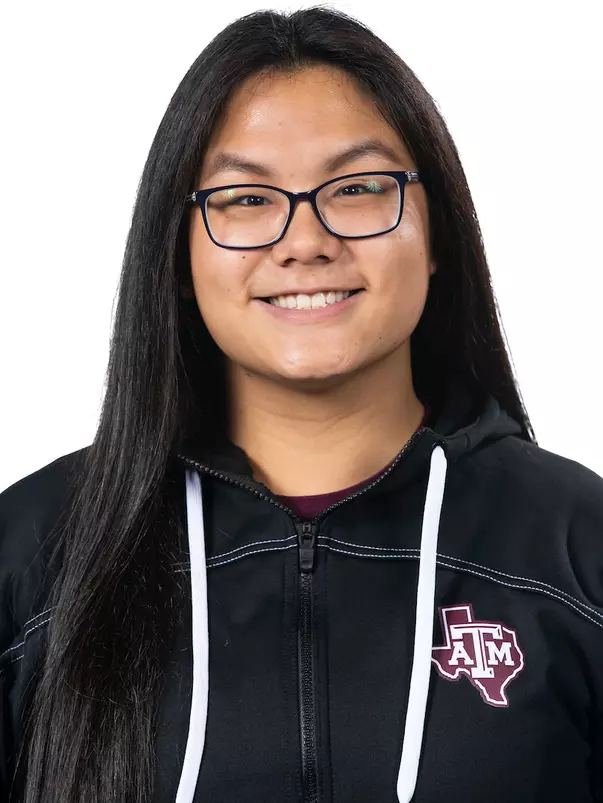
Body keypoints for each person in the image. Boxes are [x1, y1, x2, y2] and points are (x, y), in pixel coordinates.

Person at [1, 6, 602, 803]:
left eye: (356, 188)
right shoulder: (36, 552)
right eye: (245, 199)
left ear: (436, 235)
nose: (304, 241)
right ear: (177, 256)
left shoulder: (575, 545)